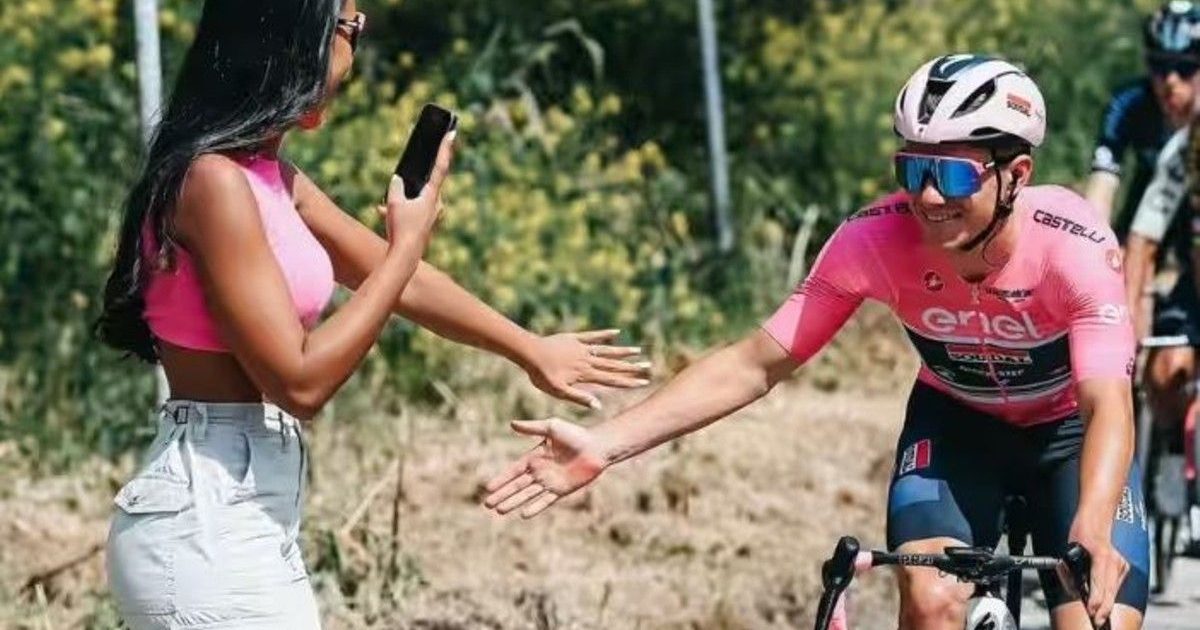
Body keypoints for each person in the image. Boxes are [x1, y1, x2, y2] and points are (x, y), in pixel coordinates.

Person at [484, 54, 1150, 629]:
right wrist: (605, 443)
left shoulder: (1073, 246)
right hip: (958, 429)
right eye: (911, 168)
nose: (925, 197)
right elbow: (755, 363)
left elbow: (1107, 405)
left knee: (1098, 617)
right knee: (929, 599)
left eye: (951, 176)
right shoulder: (872, 241)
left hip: (1071, 438)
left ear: (1017, 173)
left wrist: (1092, 520)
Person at [94, 1, 647, 628]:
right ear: (293, 37)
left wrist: (529, 348)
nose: (357, 48)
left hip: (241, 510)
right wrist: (407, 246)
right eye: (351, 26)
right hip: (207, 520)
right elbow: (300, 382)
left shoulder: (271, 177)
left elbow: (400, 281)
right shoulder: (212, 185)